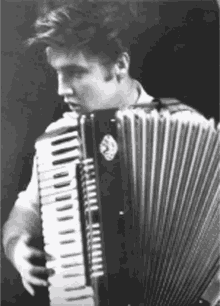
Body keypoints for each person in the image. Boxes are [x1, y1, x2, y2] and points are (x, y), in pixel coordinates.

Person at [2, 1, 219, 305]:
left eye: (75, 72)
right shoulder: (58, 140)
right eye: (57, 74)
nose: (62, 89)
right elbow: (26, 212)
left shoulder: (186, 125)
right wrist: (16, 248)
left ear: (119, 65)